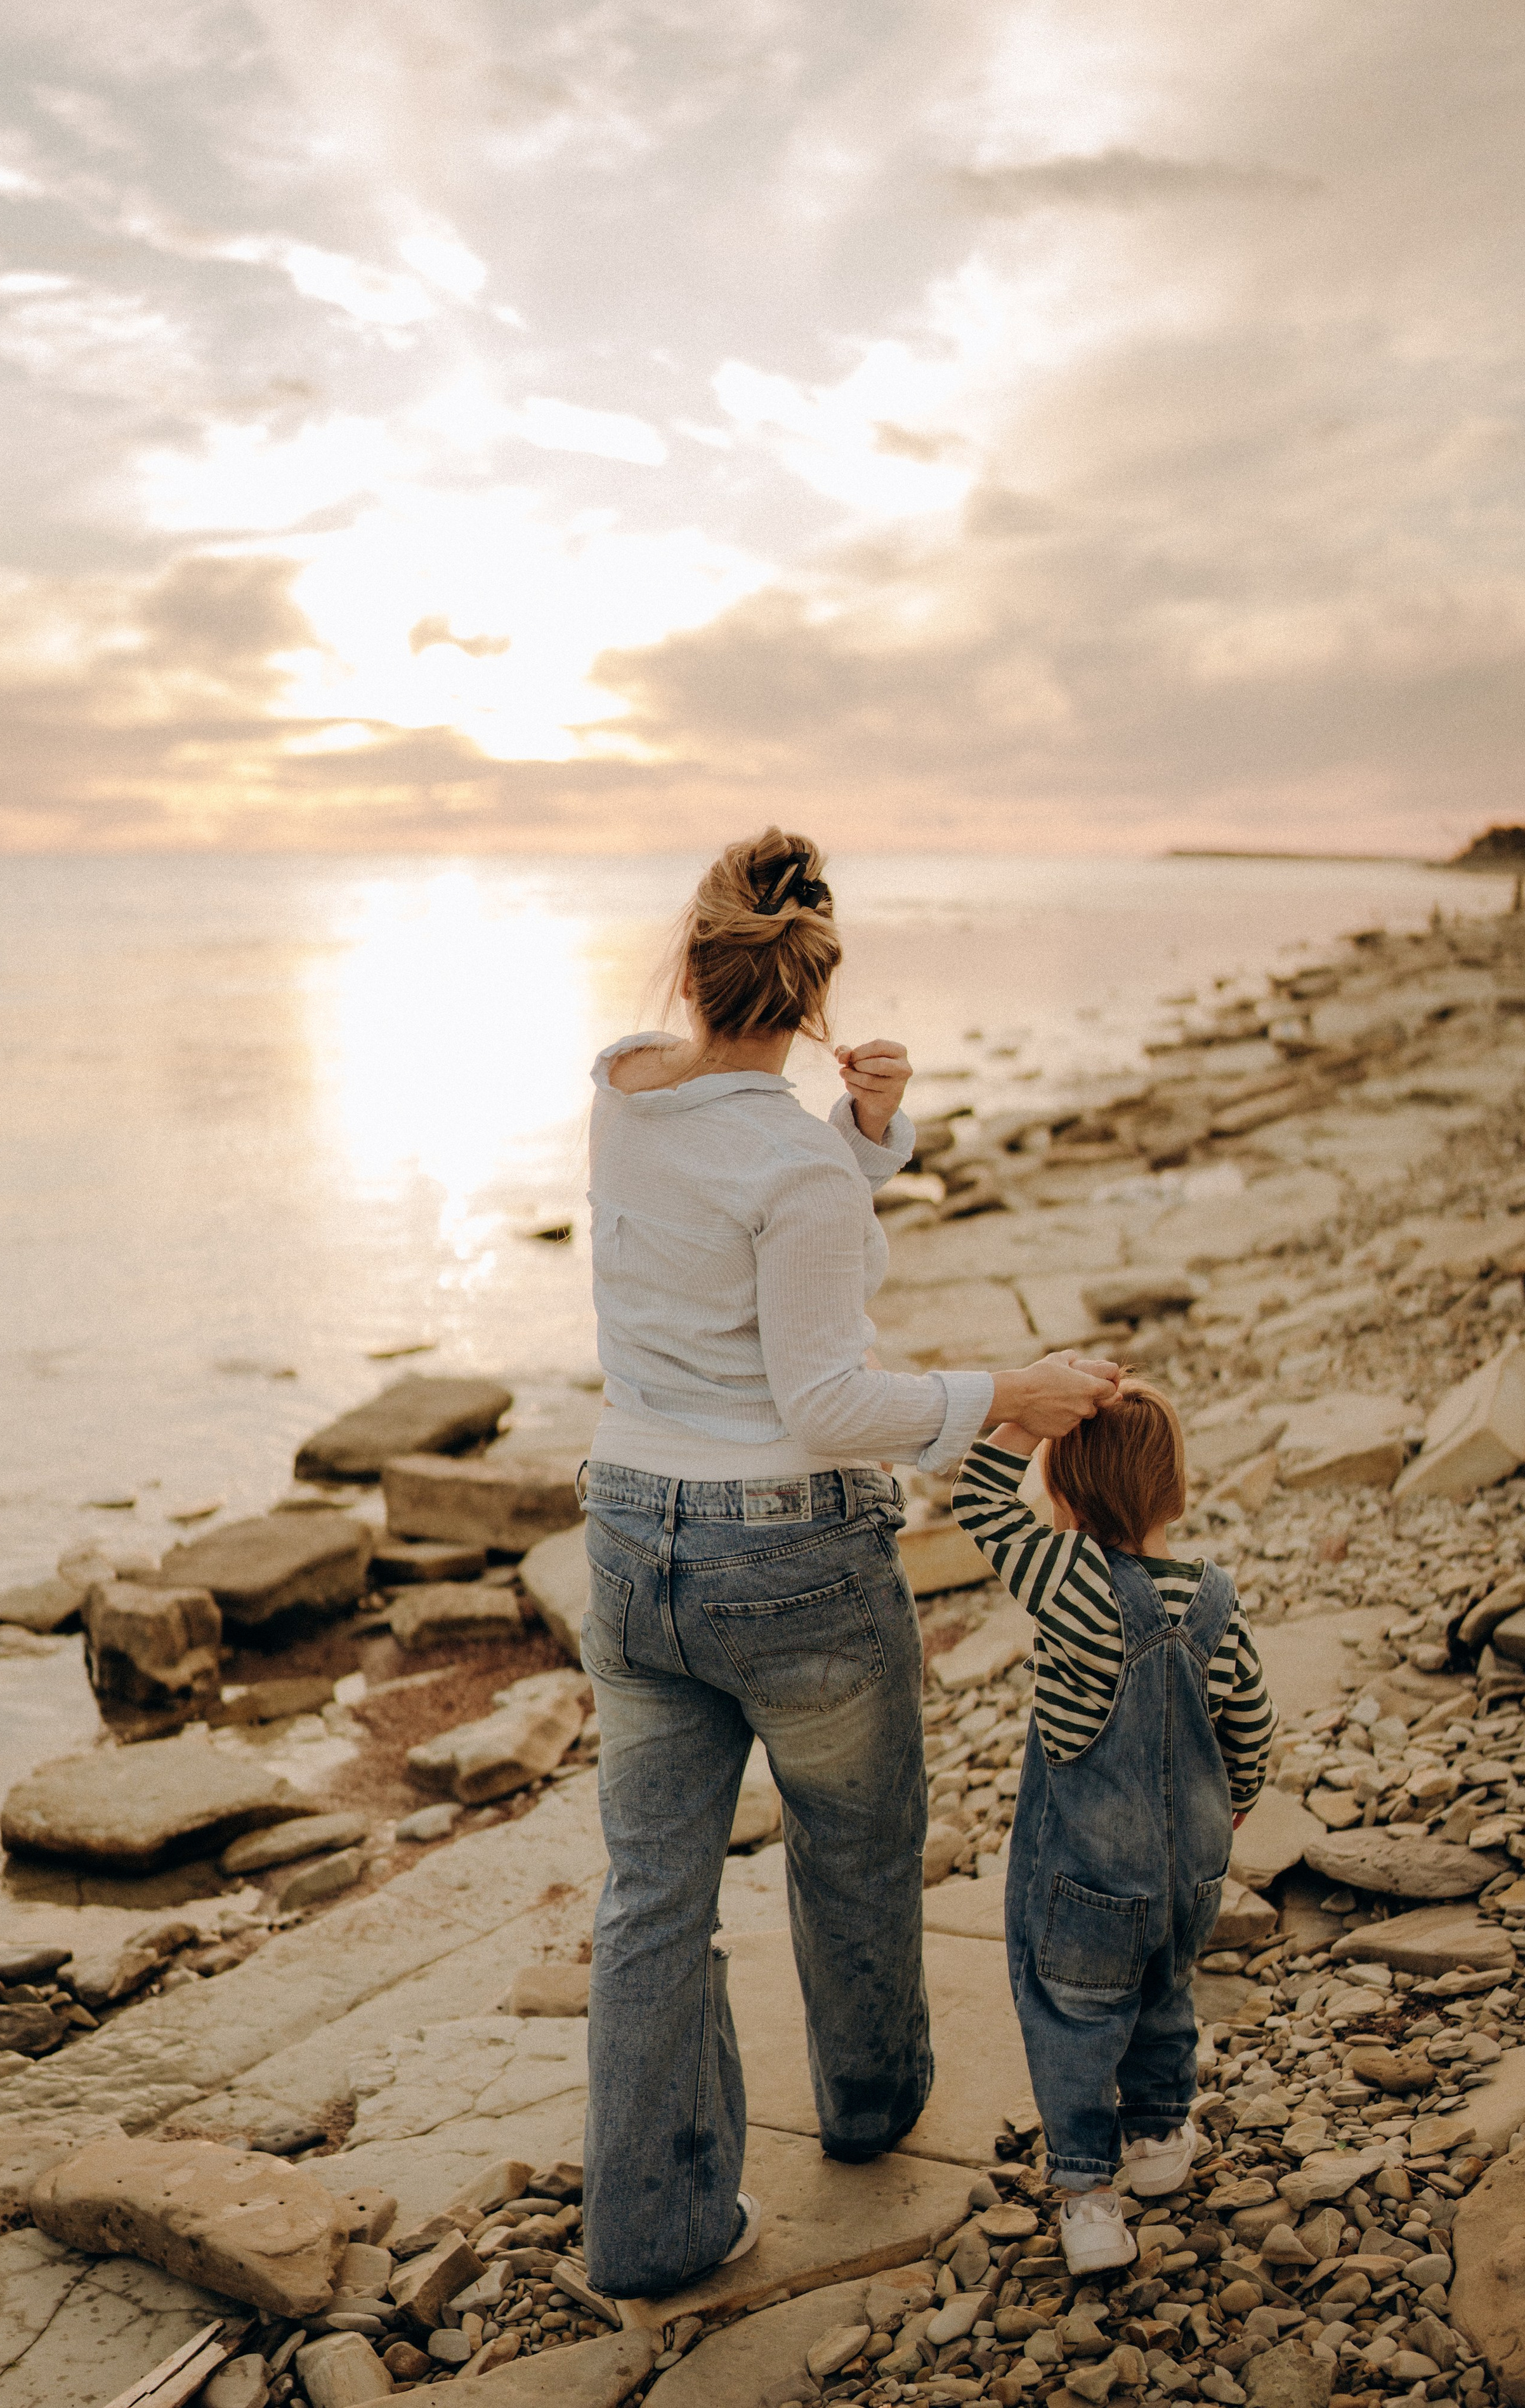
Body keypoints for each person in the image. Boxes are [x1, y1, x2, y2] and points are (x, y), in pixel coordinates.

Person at [578, 823, 1121, 2298]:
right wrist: (1001, 1395)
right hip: (789, 1562)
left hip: (629, 1540)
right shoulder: (790, 1166)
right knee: (855, 1846)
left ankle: (647, 2231)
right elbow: (824, 1402)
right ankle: (869, 2108)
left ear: (690, 966)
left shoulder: (621, 1088)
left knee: (648, 1898)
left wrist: (860, 1136)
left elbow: (742, 1211)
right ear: (815, 998)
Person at [950, 1377, 1276, 2276]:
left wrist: (1023, 1419)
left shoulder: (1070, 1581)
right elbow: (1251, 1717)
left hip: (1086, 1877)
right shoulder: (1214, 1597)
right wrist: (1239, 1794)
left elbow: (976, 1497)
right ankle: (1161, 2138)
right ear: (1176, 1488)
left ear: (1063, 1496)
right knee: (1166, 1993)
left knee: (1074, 2018)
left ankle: (1091, 2197)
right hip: (1193, 1875)